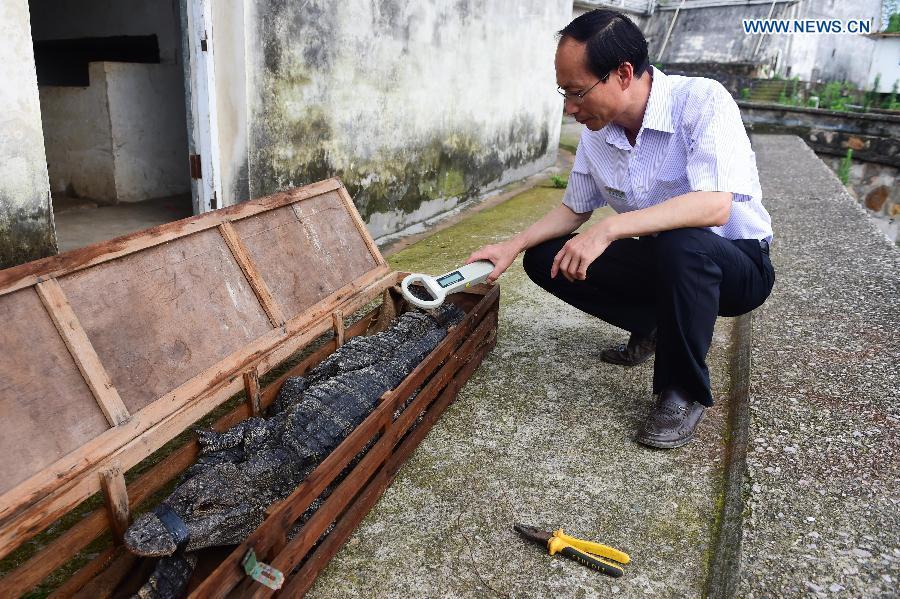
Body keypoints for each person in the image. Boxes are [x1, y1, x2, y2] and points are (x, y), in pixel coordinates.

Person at [466, 9, 774, 449]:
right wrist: (510, 246)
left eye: (578, 92)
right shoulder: (598, 133)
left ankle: (682, 390)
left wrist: (610, 228)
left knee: (684, 241)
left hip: (737, 265)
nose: (570, 108)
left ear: (623, 74)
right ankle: (657, 326)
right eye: (564, 92)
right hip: (667, 263)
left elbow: (714, 206)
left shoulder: (701, 101)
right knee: (546, 258)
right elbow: (573, 210)